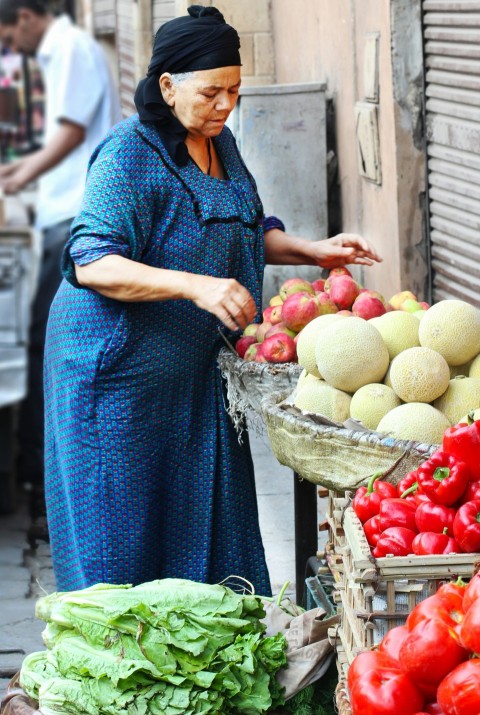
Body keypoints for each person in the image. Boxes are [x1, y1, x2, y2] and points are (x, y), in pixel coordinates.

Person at [43, 5, 381, 594]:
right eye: (211, 92)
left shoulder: (218, 143)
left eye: (235, 91)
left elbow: (242, 226)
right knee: (121, 531)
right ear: (167, 86)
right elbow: (91, 261)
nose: (225, 105)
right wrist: (196, 285)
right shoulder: (128, 156)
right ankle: (121, 667)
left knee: (204, 513)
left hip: (192, 371)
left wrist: (314, 250)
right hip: (115, 377)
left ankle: (209, 653)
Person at [0, 0, 121, 522]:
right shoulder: (55, 56)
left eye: (8, 35)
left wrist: (18, 177)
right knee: (40, 344)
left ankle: (51, 485)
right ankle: (40, 475)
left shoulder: (70, 47)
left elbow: (71, 135)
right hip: (59, 210)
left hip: (75, 217)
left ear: (26, 17)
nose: (11, 48)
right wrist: (15, 174)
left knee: (51, 347)